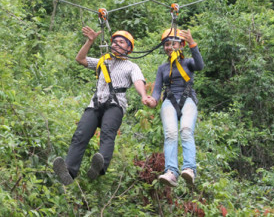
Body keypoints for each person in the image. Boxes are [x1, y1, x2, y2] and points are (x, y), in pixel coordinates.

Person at [53, 26, 152, 185]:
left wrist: (144, 95)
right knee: (80, 135)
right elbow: (80, 59)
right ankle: (69, 171)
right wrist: (90, 41)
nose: (116, 45)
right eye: (115, 42)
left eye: (121, 42)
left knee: (107, 134)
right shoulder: (102, 61)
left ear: (129, 49)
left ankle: (100, 166)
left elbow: (138, 81)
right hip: (96, 103)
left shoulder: (131, 66)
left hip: (115, 105)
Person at [147, 28, 204, 187]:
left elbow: (200, 66)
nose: (169, 47)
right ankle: (171, 172)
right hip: (170, 100)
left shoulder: (188, 62)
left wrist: (193, 44)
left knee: (186, 130)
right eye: (166, 44)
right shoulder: (162, 68)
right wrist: (153, 100)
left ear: (181, 45)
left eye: (173, 43)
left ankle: (189, 169)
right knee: (170, 134)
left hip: (187, 98)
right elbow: (157, 89)